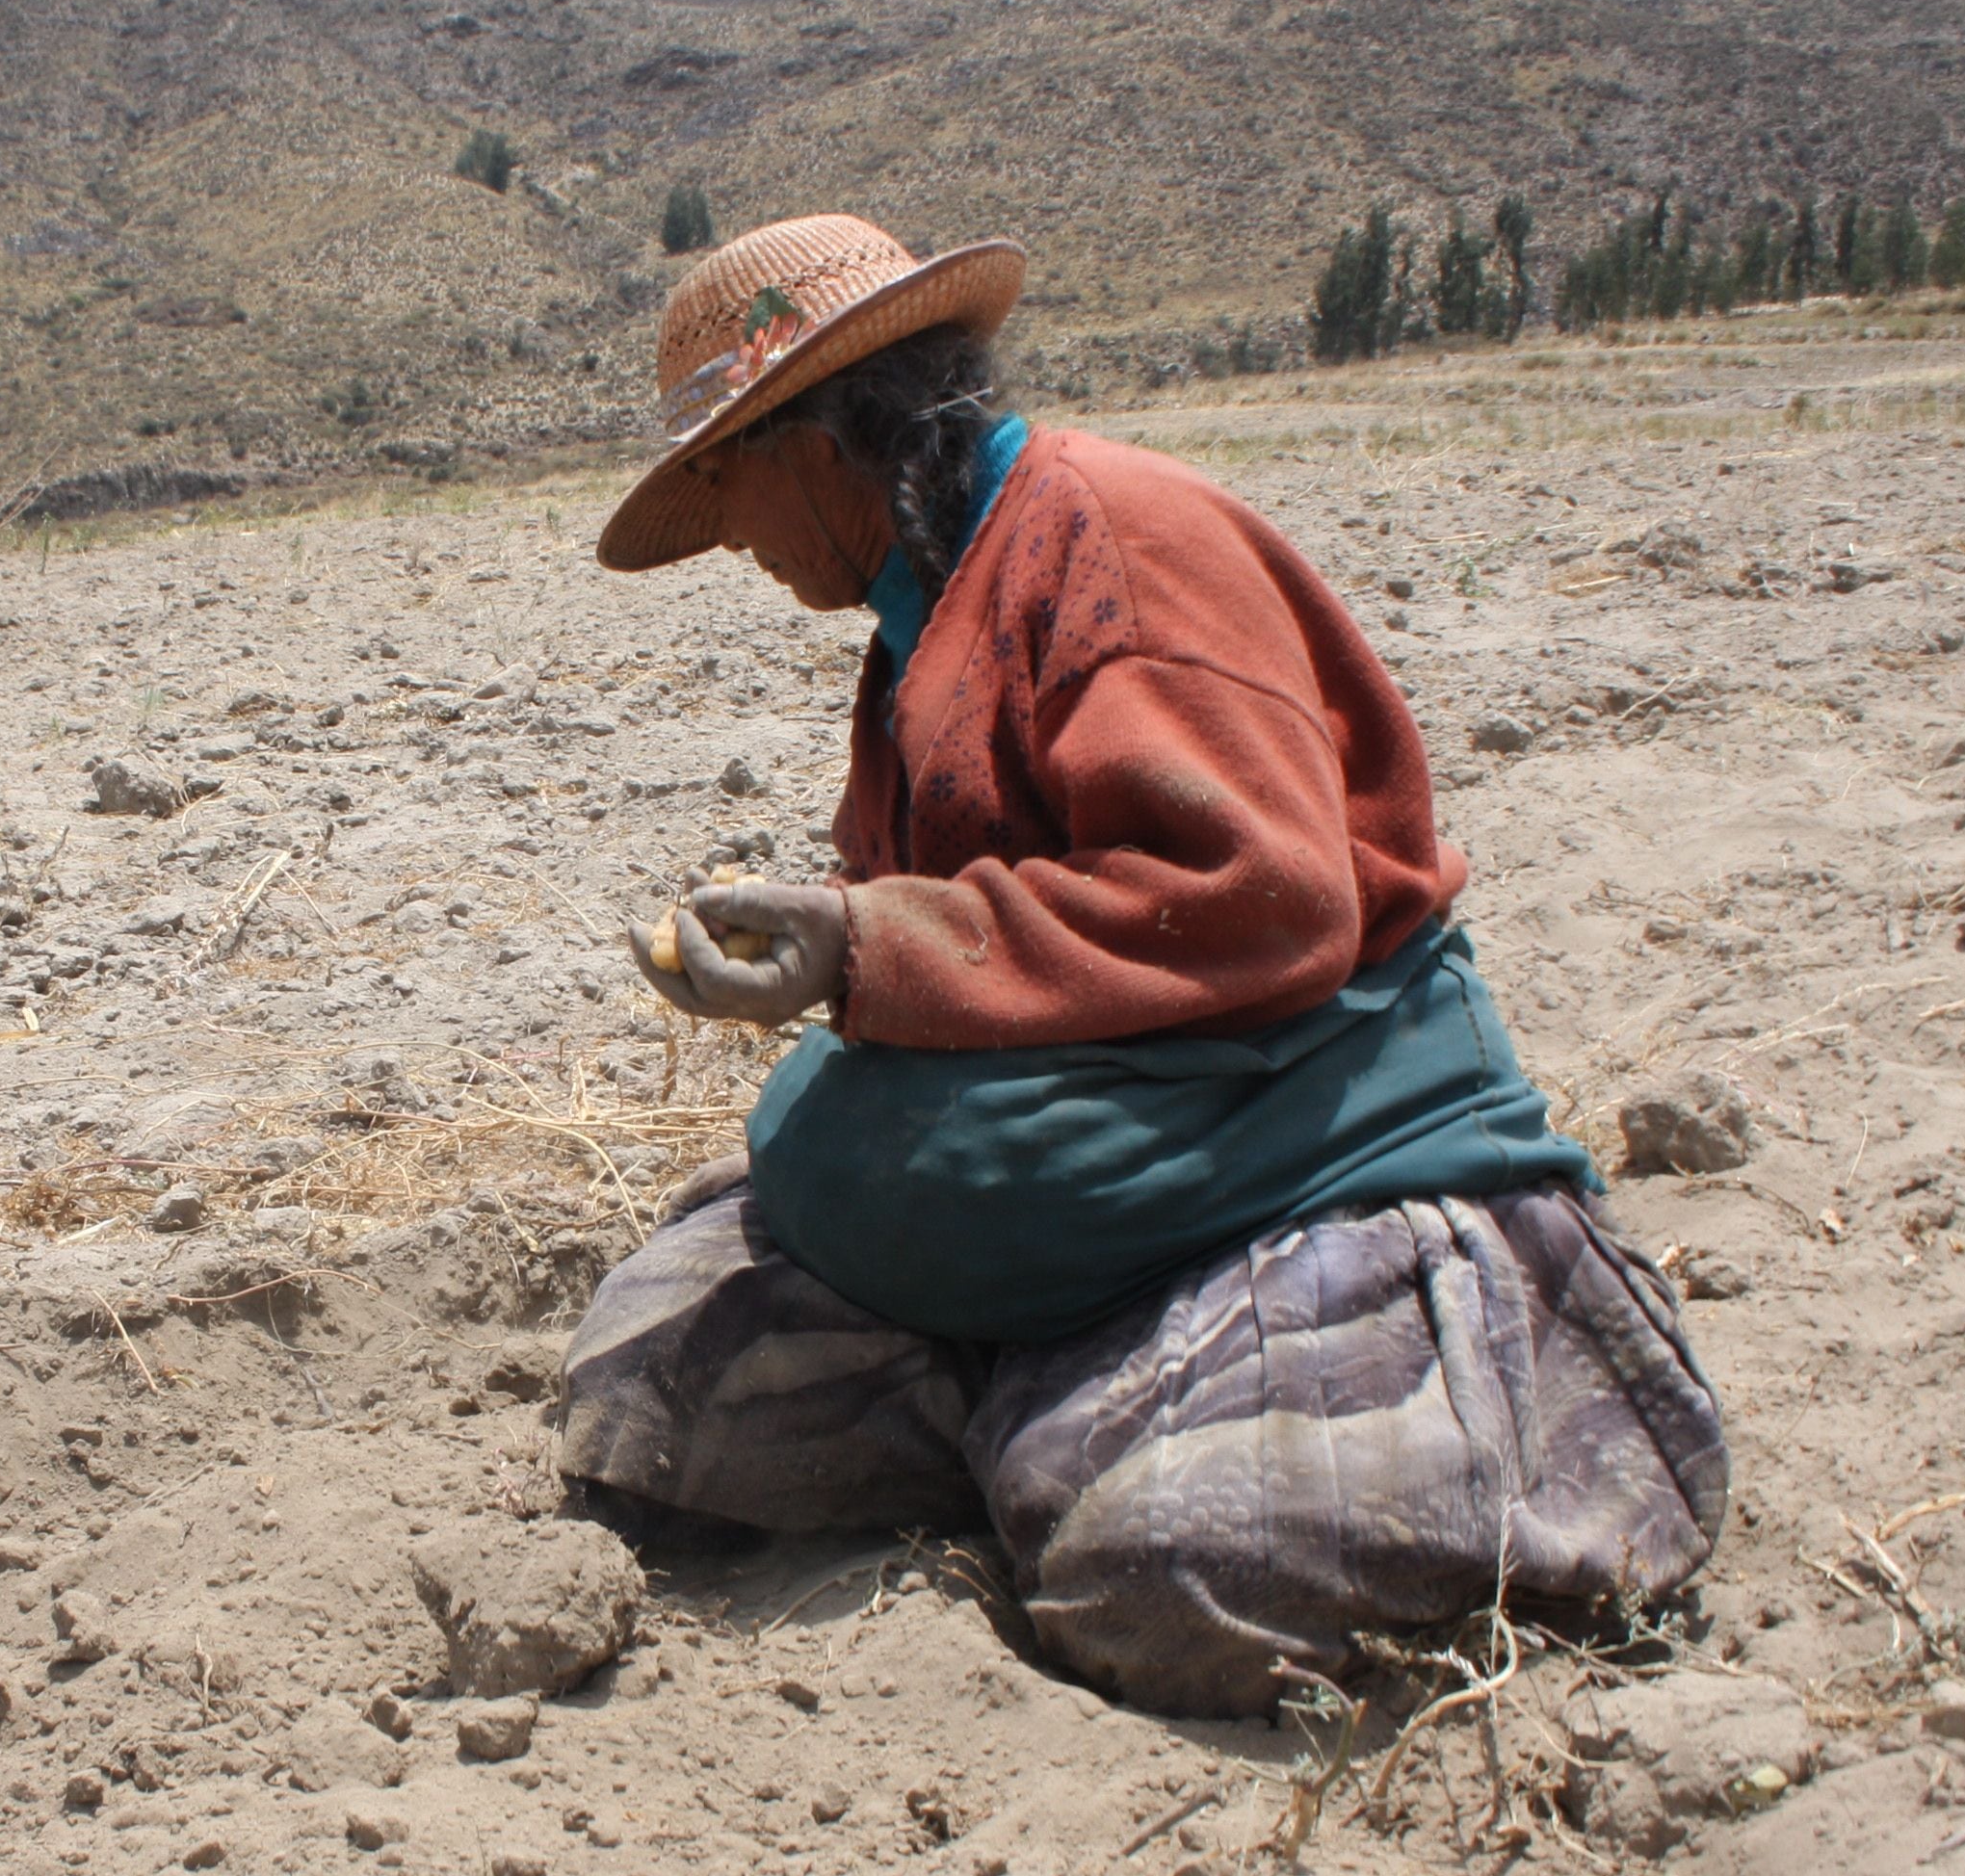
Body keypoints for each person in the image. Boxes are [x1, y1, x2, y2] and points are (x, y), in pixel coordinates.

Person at [561, 214, 1726, 1719]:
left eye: (725, 481)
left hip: (1293, 1127)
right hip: (1114, 1151)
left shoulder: (1113, 545)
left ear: (822, 437)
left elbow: (1262, 897)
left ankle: (1190, 1413)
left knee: (1172, 1568)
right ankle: (1057, 1393)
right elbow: (985, 919)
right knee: (656, 1404)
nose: (729, 538)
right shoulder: (925, 604)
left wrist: (868, 948)